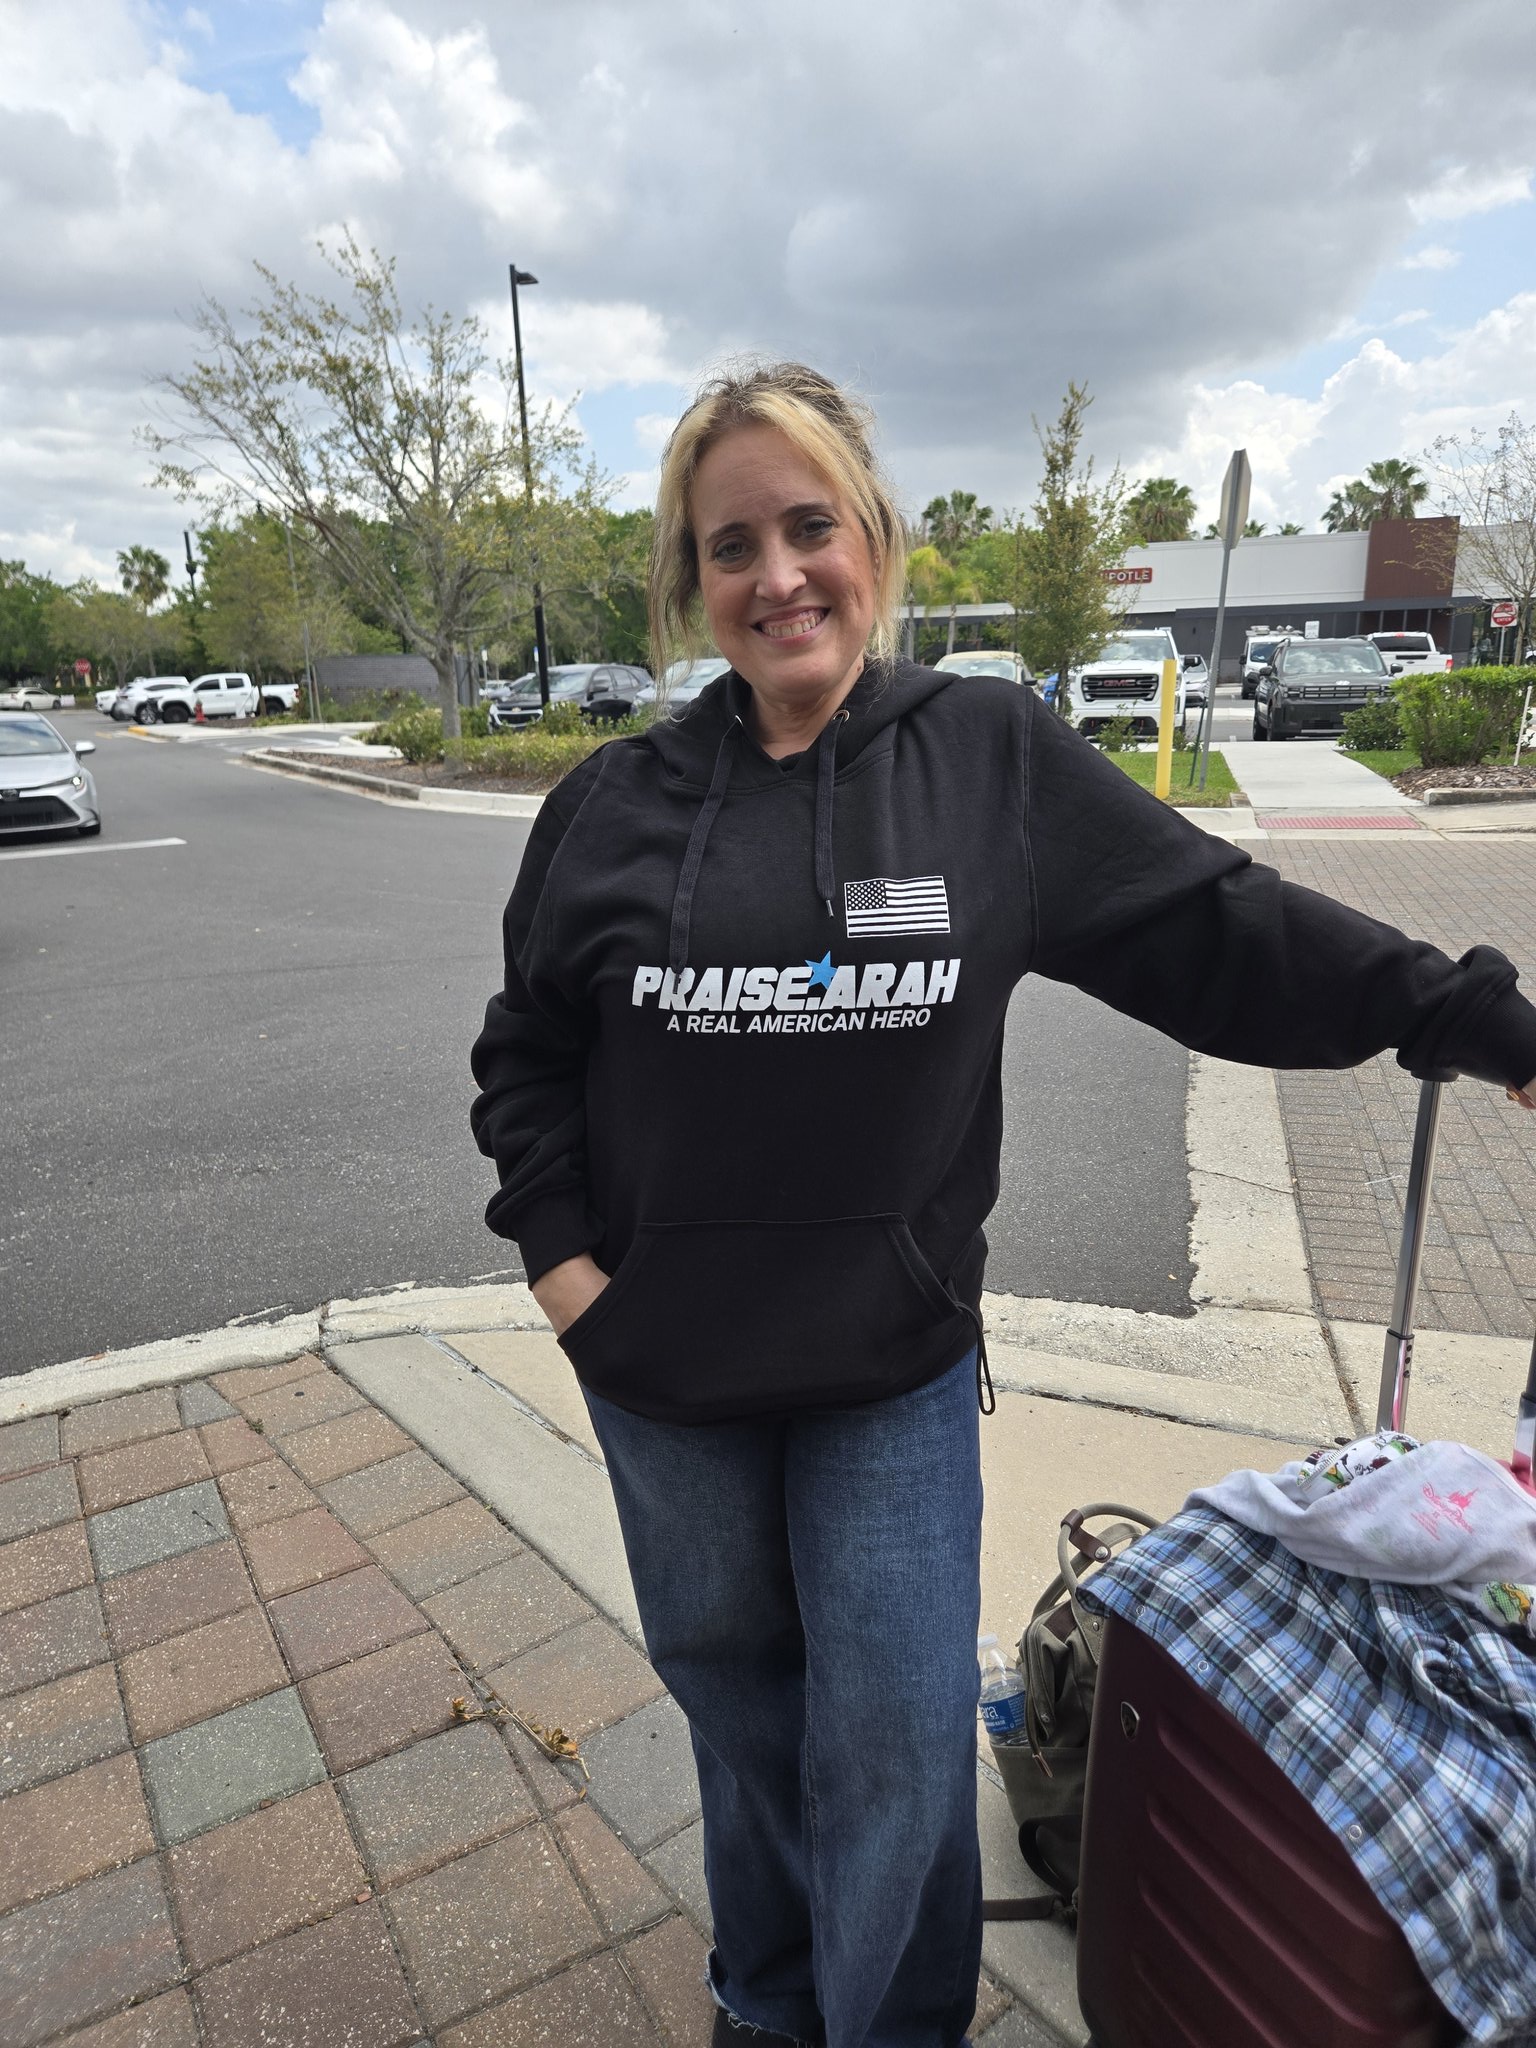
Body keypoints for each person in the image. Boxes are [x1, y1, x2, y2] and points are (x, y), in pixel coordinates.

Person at [470, 361, 1536, 2048]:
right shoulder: (610, 803)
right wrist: (571, 1278)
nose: (779, 575)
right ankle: (768, 2001)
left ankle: (889, 2027)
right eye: (732, 545)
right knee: (742, 1714)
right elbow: (527, 1052)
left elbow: (1220, 925)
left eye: (809, 526)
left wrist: (1475, 1019)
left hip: (887, 1369)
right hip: (664, 1374)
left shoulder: (985, 762)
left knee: (894, 1739)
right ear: (693, 581)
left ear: (873, 539)